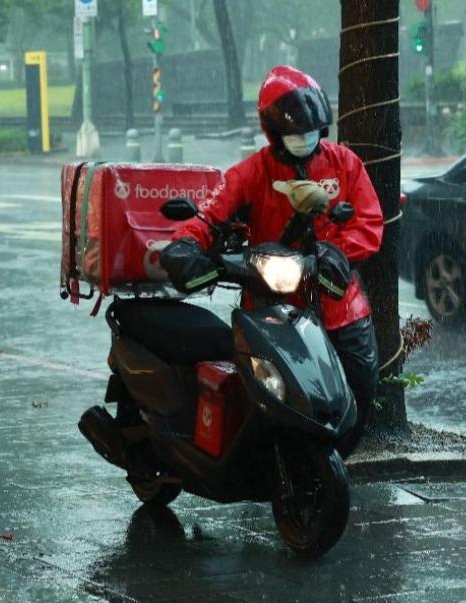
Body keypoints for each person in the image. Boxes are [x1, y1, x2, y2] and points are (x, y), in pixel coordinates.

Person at [160, 65, 384, 457]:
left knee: (360, 389)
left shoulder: (344, 164)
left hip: (338, 305)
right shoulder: (251, 173)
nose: (304, 140)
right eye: (295, 134)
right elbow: (209, 216)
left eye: (310, 131)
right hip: (275, 309)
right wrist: (185, 246)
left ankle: (333, 462)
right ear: (272, 132)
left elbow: (368, 221)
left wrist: (340, 252)